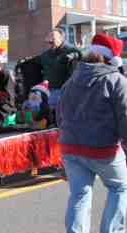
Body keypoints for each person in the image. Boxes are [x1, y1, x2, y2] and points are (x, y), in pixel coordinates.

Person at [57, 33, 127, 233]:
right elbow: (125, 118)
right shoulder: (117, 80)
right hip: (102, 149)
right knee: (120, 188)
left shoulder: (71, 80)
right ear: (111, 59)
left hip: (70, 147)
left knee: (79, 194)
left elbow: (59, 115)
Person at [31, 28, 82, 109]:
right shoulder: (47, 54)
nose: (50, 41)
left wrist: (75, 55)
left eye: (53, 38)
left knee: (51, 108)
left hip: (62, 90)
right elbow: (38, 59)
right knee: (35, 105)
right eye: (48, 38)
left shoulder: (69, 49)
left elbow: (81, 54)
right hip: (47, 88)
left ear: (61, 39)